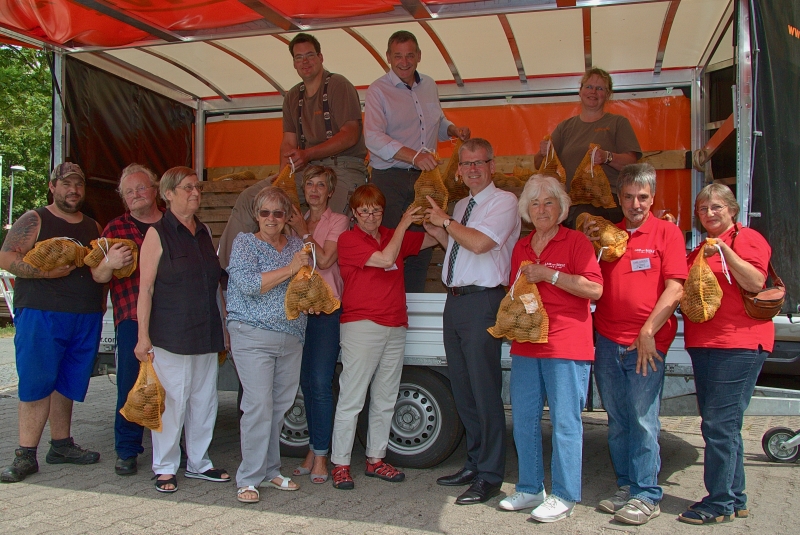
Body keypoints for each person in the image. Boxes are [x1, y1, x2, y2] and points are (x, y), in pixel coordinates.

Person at [0, 163, 126, 483]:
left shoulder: (93, 225)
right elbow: (6, 256)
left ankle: (61, 445)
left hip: (83, 315)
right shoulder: (35, 218)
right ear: (52, 186)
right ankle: (25, 454)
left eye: (79, 185)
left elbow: (100, 268)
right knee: (36, 382)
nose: (74, 190)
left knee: (67, 382)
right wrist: (44, 273)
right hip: (42, 312)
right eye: (66, 184)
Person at [496, 175, 603, 522]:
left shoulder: (576, 243)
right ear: (527, 210)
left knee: (565, 422)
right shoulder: (522, 247)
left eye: (548, 203)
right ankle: (529, 487)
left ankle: (565, 495)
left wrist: (551, 275)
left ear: (562, 208)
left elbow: (595, 290)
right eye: (534, 204)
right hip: (527, 345)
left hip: (566, 344)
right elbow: (518, 294)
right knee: (524, 419)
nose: (541, 210)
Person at [587, 163, 687, 525]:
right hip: (608, 341)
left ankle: (647, 495)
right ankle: (627, 486)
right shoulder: (610, 238)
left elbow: (676, 288)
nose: (635, 204)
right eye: (628, 197)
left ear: (652, 198)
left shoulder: (667, 234)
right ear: (618, 198)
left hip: (646, 345)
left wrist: (647, 332)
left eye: (642, 197)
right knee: (617, 420)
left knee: (644, 421)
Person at [423, 138, 520, 505]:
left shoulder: (504, 201)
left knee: (484, 391)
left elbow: (480, 244)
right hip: (457, 302)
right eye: (467, 164)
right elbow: (458, 247)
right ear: (459, 171)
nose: (473, 169)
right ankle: (475, 463)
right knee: (464, 391)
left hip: (483, 301)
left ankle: (491, 475)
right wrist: (436, 229)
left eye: (480, 162)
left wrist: (445, 221)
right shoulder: (462, 204)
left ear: (492, 166)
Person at [329, 184, 437, 490]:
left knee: (386, 398)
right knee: (352, 398)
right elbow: (384, 257)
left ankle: (376, 459)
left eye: (376, 209)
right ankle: (341, 463)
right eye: (363, 210)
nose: (370, 216)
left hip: (395, 325)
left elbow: (433, 239)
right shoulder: (348, 239)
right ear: (353, 213)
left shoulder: (394, 234)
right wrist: (405, 222)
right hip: (362, 325)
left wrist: (437, 222)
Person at [677, 184, 774, 525]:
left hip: (739, 344)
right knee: (724, 426)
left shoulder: (746, 239)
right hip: (704, 344)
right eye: (703, 209)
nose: (709, 213)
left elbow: (756, 281)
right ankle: (737, 498)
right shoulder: (697, 250)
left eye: (716, 207)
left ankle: (718, 503)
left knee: (719, 425)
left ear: (731, 210)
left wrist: (724, 252)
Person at [134, 166, 229, 493]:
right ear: (168, 194)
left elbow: (216, 285)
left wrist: (225, 328)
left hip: (206, 333)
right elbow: (145, 289)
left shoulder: (203, 231)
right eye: (188, 188)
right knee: (172, 404)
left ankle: (200, 463)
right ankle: (164, 467)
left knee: (204, 402)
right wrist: (142, 336)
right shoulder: (156, 234)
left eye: (197, 187)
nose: (195, 193)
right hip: (170, 336)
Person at [364, 30, 470, 292]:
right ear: (388, 57)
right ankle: (388, 301)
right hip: (390, 179)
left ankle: (414, 299)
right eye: (398, 56)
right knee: (390, 241)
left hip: (425, 179)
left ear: (419, 56)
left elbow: (436, 122)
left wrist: (453, 130)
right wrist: (414, 156)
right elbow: (373, 138)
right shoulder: (378, 90)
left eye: (409, 55)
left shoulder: (430, 85)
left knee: (423, 238)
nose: (404, 61)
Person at [226, 186, 312, 503]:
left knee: (278, 407)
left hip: (291, 336)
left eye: (278, 212)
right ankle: (248, 478)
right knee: (258, 405)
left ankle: (270, 470)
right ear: (256, 215)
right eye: (265, 212)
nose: (271, 218)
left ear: (288, 216)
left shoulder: (295, 245)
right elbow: (249, 284)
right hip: (252, 334)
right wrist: (291, 268)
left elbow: (306, 284)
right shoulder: (245, 243)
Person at [95, 163, 164, 476]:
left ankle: (174, 448)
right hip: (132, 319)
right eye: (129, 191)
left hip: (171, 317)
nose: (136, 195)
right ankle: (127, 450)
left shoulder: (172, 223)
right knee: (131, 384)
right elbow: (97, 275)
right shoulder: (114, 229)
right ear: (123, 198)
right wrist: (109, 263)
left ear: (155, 189)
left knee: (173, 386)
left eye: (141, 188)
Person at [286, 166, 349, 484]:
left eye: (320, 184)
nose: (314, 189)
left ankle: (322, 455)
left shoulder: (337, 221)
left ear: (330, 190)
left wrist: (304, 232)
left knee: (322, 384)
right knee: (306, 384)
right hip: (298, 312)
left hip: (326, 312)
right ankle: (313, 449)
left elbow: (324, 260)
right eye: (309, 184)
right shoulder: (289, 221)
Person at [534, 67, 642, 227]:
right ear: (580, 91)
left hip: (606, 203)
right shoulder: (565, 127)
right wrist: (544, 153)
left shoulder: (618, 123)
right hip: (569, 201)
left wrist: (607, 157)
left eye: (600, 88)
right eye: (589, 87)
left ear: (608, 94)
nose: (593, 92)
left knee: (579, 216)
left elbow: (632, 165)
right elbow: (538, 164)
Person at [280, 33, 368, 214]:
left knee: (332, 219)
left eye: (310, 55)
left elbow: (351, 135)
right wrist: (282, 180)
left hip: (344, 167)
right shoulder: (292, 96)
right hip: (307, 171)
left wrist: (308, 154)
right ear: (294, 63)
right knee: (257, 199)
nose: (305, 62)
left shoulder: (339, 85)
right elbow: (288, 143)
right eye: (299, 57)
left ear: (320, 57)